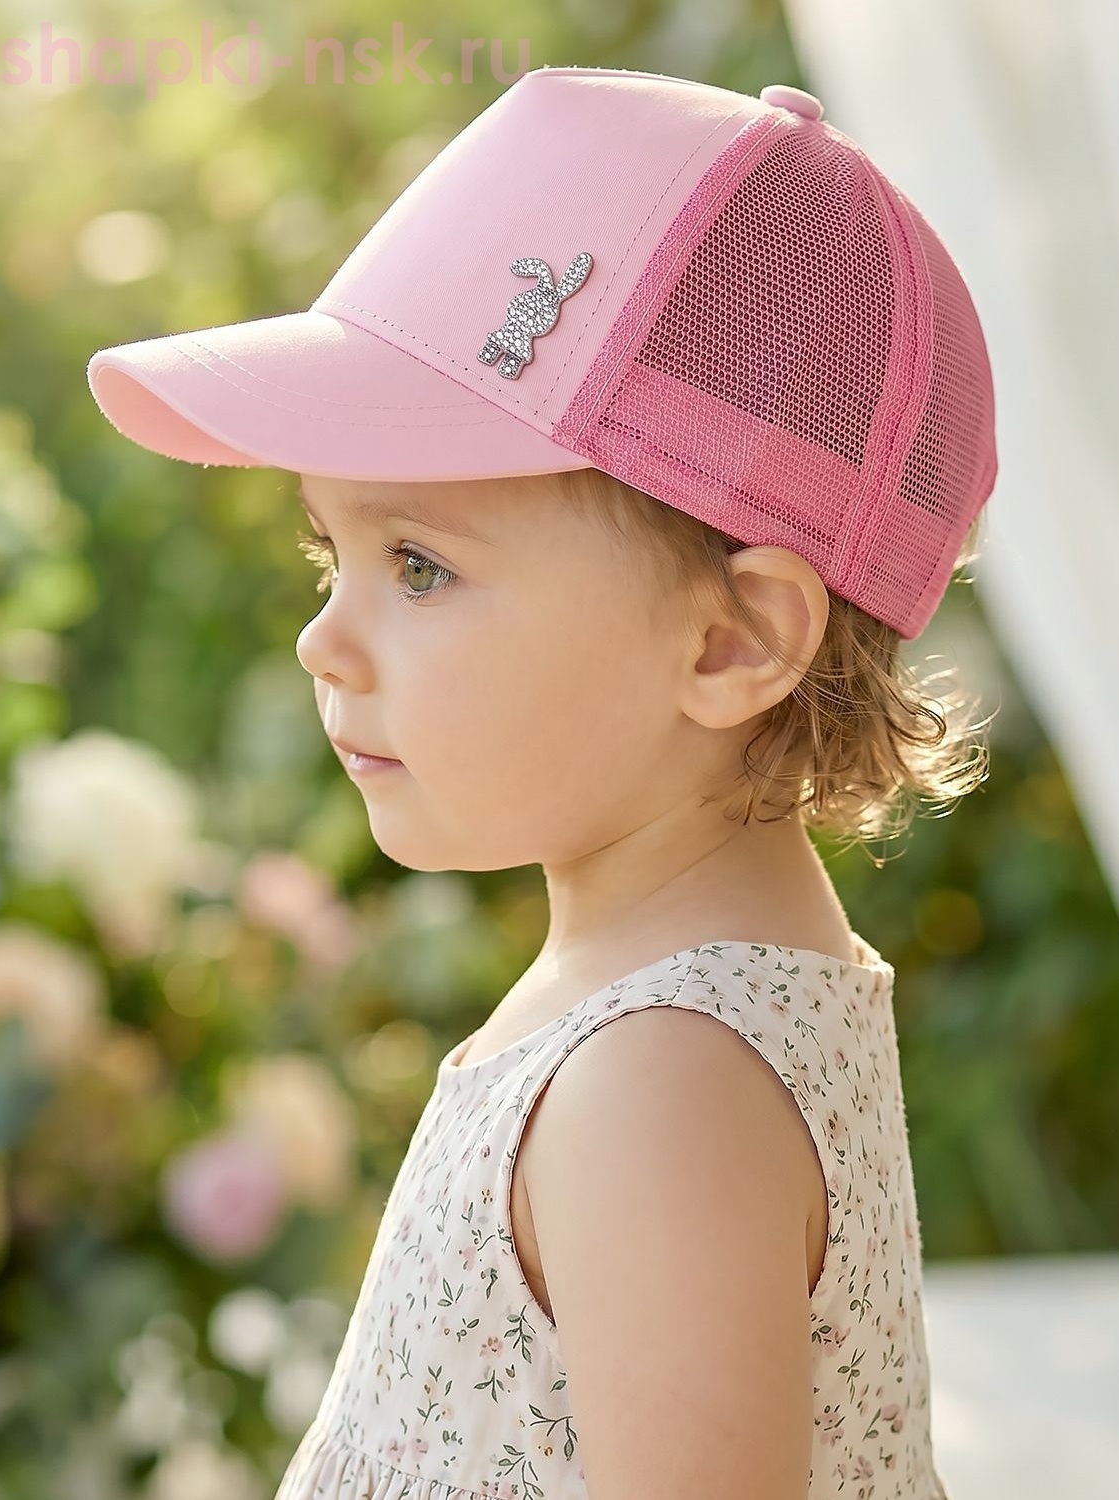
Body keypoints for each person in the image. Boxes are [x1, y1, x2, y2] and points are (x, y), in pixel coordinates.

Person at [86, 65, 997, 1500]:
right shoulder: (647, 1005)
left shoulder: (663, 1083)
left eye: (419, 565)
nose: (323, 640)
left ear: (732, 638)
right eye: (331, 553)